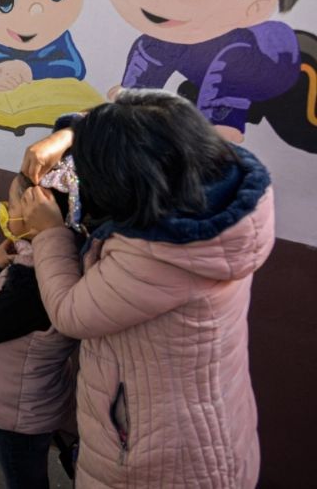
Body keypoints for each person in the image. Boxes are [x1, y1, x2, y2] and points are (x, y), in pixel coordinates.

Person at [20, 89, 275, 488]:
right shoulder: (215, 182)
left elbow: (69, 312)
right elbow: (152, 114)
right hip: (212, 430)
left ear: (129, 183)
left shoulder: (159, 255)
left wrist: (48, 231)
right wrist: (72, 131)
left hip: (159, 461)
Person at [106, 0, 317, 142]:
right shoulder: (158, 41)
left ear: (256, 6)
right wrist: (130, 96)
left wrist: (219, 125)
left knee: (298, 126)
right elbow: (147, 61)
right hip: (213, 71)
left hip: (286, 65)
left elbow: (222, 126)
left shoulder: (234, 57)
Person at [0, 172, 80, 489]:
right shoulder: (65, 260)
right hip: (35, 399)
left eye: (12, 204)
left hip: (17, 414)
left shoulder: (31, 284)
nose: (4, 209)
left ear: (36, 220)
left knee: (23, 477)